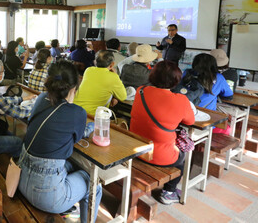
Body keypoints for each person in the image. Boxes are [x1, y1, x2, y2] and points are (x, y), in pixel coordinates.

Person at [18, 60, 102, 222]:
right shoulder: (77, 112)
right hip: (46, 197)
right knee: (94, 185)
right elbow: (77, 137)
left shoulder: (41, 98)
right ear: (73, 88)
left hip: (22, 180)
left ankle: (67, 205)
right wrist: (91, 127)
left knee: (73, 166)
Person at [130, 61, 195, 205]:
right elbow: (190, 121)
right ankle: (169, 191)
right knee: (184, 155)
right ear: (176, 80)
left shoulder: (141, 91)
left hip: (135, 149)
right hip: (161, 156)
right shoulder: (181, 100)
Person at [74, 50, 127, 116]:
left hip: (75, 110)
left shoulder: (88, 70)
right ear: (112, 64)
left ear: (95, 61)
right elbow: (123, 97)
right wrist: (116, 75)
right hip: (92, 116)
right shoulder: (113, 77)